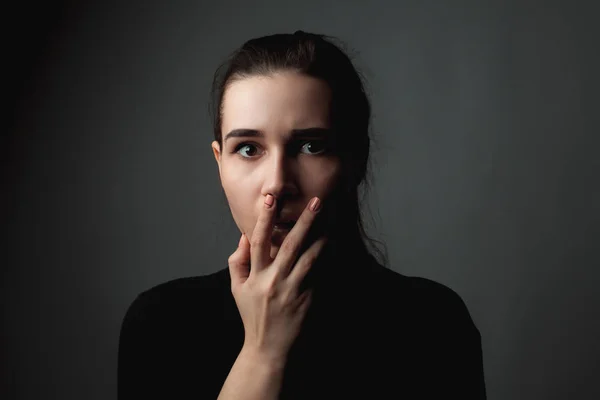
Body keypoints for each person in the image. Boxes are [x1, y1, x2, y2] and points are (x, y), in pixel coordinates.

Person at [117, 31, 487, 399]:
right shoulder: (162, 324)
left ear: (356, 159)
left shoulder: (432, 324)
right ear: (219, 163)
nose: (277, 183)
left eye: (311, 146)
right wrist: (262, 355)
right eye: (248, 149)